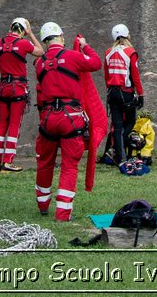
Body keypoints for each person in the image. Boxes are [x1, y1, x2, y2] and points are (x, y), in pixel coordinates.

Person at [34, 22, 102, 220]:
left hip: (48, 118)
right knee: (69, 165)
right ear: (61, 36)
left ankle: (43, 204)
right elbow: (95, 63)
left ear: (45, 41)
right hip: (70, 118)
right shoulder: (72, 56)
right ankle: (63, 212)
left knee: (45, 162)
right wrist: (84, 45)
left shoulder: (39, 64)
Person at [0, 16, 44, 172]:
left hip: (3, 87)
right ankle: (8, 161)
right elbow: (41, 52)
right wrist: (31, 34)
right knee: (14, 124)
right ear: (23, 30)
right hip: (17, 88)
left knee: (2, 123)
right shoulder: (24, 44)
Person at [104, 23, 144, 168]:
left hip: (112, 92)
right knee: (131, 121)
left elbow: (106, 75)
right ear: (127, 35)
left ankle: (119, 155)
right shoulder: (130, 52)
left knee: (118, 126)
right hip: (126, 92)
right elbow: (135, 76)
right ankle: (120, 152)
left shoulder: (108, 52)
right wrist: (141, 94)